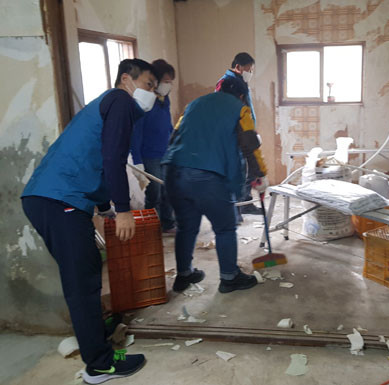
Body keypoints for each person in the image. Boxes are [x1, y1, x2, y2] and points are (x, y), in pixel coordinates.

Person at [21, 59, 157, 384]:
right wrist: (122, 210)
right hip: (58, 199)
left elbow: (97, 160)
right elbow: (112, 158)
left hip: (53, 198)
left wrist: (104, 207)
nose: (153, 93)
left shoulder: (109, 103)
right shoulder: (120, 100)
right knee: (82, 281)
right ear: (127, 79)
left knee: (87, 271)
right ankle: (99, 365)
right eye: (149, 84)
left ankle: (97, 340)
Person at [163, 78, 269, 294]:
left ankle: (184, 275)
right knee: (225, 228)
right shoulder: (240, 109)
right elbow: (250, 144)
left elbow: (174, 136)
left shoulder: (193, 105)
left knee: (186, 227)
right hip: (207, 176)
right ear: (242, 96)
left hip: (174, 172)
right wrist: (260, 174)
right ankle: (229, 278)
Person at [130, 59, 176, 234]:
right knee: (154, 192)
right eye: (165, 81)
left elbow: (167, 123)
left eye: (170, 82)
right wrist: (137, 160)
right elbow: (136, 133)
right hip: (149, 155)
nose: (168, 85)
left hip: (166, 151)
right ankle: (152, 228)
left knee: (168, 190)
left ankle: (168, 223)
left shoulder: (164, 99)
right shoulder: (144, 101)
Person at [215, 52, 263, 219]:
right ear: (238, 67)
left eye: (252, 70)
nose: (250, 73)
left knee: (245, 171)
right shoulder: (226, 83)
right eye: (248, 69)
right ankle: (234, 210)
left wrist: (252, 131)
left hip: (244, 133)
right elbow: (225, 113)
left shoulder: (241, 82)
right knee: (235, 172)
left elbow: (245, 111)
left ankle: (245, 204)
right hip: (232, 136)